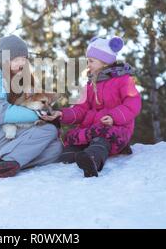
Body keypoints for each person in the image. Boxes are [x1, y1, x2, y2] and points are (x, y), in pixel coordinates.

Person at [40, 36, 142, 177]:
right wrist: (62, 114)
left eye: (91, 61)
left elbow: (133, 103)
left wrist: (114, 117)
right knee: (74, 140)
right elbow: (80, 109)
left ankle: (92, 160)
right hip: (92, 129)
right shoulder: (89, 85)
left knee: (101, 141)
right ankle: (66, 159)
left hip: (116, 127)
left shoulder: (124, 80)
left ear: (105, 62)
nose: (88, 65)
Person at [0, 35, 63, 179]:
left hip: (13, 138)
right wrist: (39, 115)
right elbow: (0, 112)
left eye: (23, 59)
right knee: (48, 130)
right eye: (15, 59)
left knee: (55, 149)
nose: (21, 63)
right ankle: (5, 161)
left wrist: (50, 113)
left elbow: (37, 100)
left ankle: (6, 164)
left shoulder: (23, 77)